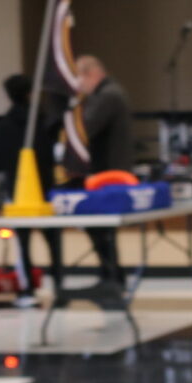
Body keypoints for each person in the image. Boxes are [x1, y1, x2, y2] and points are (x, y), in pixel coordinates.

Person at [0, 73, 65, 302]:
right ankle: (60, 287)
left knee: (23, 243)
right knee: (53, 241)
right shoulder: (42, 119)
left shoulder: (6, 124)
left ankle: (27, 289)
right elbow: (52, 153)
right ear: (29, 93)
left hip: (16, 194)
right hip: (46, 191)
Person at [65, 54, 134, 289]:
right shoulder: (111, 93)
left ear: (90, 73)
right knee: (101, 229)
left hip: (107, 174)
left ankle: (112, 276)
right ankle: (111, 274)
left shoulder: (108, 96)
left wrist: (74, 110)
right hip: (109, 171)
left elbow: (86, 129)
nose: (79, 85)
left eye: (79, 79)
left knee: (102, 229)